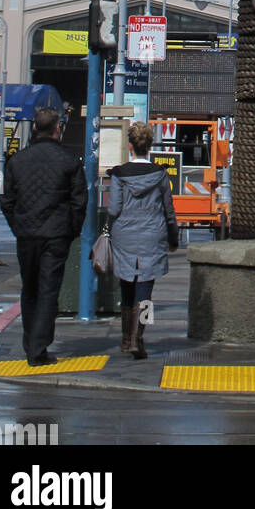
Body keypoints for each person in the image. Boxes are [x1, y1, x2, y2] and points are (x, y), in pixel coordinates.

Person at [0, 107, 86, 366]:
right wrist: (71, 230)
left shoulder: (17, 160)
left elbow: (7, 201)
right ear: (57, 129)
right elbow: (79, 201)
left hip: (26, 234)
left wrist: (18, 226)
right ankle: (38, 348)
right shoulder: (69, 160)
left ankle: (31, 343)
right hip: (56, 234)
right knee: (49, 291)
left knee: (30, 289)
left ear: (35, 128)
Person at [108, 122, 178, 360]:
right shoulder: (159, 174)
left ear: (130, 147)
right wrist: (173, 237)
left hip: (124, 236)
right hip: (152, 234)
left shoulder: (119, 174)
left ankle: (126, 339)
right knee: (145, 291)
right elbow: (168, 209)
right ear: (149, 147)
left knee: (126, 285)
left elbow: (114, 207)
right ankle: (139, 338)